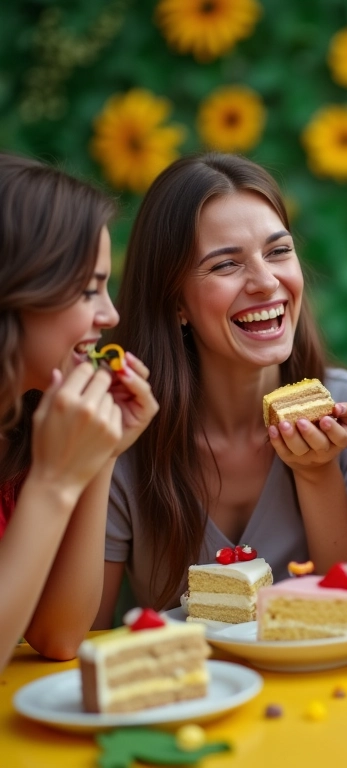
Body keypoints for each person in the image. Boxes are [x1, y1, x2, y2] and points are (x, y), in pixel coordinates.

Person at [94, 153, 347, 623]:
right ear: (176, 304)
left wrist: (318, 475)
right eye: (226, 265)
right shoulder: (122, 434)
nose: (266, 281)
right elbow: (79, 637)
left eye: (278, 252)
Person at [0, 154, 158, 670]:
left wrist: (101, 455)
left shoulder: (24, 426)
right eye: (89, 288)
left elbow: (60, 635)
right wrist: (54, 483)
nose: (110, 315)